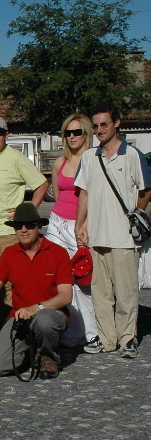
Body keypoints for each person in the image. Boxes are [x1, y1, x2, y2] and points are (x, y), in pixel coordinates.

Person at [0, 204, 72, 380]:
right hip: (19, 318)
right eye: (19, 226)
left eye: (29, 225)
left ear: (39, 226)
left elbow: (66, 296)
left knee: (43, 321)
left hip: (49, 313)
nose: (24, 230)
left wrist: (38, 307)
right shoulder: (10, 254)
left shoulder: (58, 253)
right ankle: (30, 352)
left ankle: (48, 356)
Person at [75, 102, 151, 357]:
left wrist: (136, 215)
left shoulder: (131, 155)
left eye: (104, 124)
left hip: (124, 238)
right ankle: (107, 339)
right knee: (101, 293)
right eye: (95, 125)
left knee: (126, 293)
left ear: (116, 123)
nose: (99, 130)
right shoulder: (89, 157)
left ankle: (128, 337)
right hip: (97, 236)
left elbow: (146, 189)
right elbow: (84, 193)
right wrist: (80, 224)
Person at [45, 114, 97, 349]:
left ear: (87, 134)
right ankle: (68, 330)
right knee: (60, 280)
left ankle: (91, 331)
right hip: (57, 224)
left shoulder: (95, 161)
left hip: (83, 226)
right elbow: (57, 194)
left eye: (77, 132)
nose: (73, 136)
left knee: (84, 280)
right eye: (68, 132)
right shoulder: (60, 163)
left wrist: (85, 222)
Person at [0, 116, 49, 254]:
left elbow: (42, 184)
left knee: (8, 275)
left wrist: (27, 211)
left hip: (7, 233)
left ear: (6, 135)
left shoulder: (16, 158)